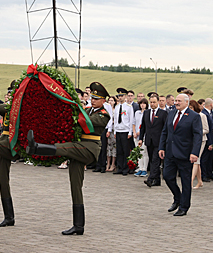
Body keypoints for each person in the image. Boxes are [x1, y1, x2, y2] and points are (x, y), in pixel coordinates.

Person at [27, 81, 110, 235]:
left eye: (96, 99)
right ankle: (78, 226)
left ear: (104, 101)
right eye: (92, 97)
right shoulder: (86, 109)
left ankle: (37, 148)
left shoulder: (104, 114)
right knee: (75, 186)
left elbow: (87, 121)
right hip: (80, 148)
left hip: (90, 148)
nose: (93, 100)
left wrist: (76, 109)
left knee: (67, 147)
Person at [158, 94, 202, 216]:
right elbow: (165, 131)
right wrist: (161, 147)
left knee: (186, 181)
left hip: (185, 154)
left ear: (186, 102)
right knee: (167, 176)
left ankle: (184, 206)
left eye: (179, 101)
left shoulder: (194, 116)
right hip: (170, 152)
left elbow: (198, 136)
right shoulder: (171, 113)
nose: (176, 103)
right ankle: (178, 198)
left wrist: (194, 152)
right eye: (175, 101)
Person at [139, 95, 168, 187]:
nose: (152, 104)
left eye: (154, 102)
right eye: (151, 102)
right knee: (152, 160)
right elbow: (143, 126)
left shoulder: (163, 113)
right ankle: (157, 180)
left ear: (158, 102)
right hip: (149, 140)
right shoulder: (146, 113)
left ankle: (150, 179)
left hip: (159, 141)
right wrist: (140, 138)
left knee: (155, 160)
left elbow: (165, 128)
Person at [112, 88, 134, 176]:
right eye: (118, 96)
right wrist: (115, 131)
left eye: (121, 96)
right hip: (118, 130)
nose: (120, 98)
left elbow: (131, 120)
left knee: (125, 151)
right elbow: (116, 120)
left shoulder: (128, 107)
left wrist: (130, 132)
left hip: (125, 131)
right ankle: (119, 168)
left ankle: (126, 168)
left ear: (125, 96)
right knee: (119, 151)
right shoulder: (117, 107)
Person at [189, 99, 209, 189]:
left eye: (191, 108)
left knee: (196, 160)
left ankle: (191, 181)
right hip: (192, 140)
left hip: (201, 140)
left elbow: (206, 129)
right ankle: (200, 181)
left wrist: (197, 132)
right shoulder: (189, 116)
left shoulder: (202, 115)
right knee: (198, 160)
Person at [201, 98, 213, 182]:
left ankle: (210, 173)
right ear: (211, 104)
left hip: (212, 139)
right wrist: (210, 142)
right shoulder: (204, 114)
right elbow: (207, 129)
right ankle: (204, 175)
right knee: (205, 158)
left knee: (211, 158)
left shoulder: (211, 114)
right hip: (207, 139)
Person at [133, 98, 149, 177]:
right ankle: (140, 168)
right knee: (138, 152)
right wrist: (134, 132)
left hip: (144, 135)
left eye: (144, 103)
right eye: (141, 103)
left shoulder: (147, 113)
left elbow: (145, 125)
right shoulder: (137, 112)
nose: (142, 105)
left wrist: (140, 132)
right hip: (136, 136)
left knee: (144, 152)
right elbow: (134, 123)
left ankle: (144, 169)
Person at [106, 96, 117, 172]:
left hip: (114, 129)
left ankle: (113, 164)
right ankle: (108, 163)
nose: (110, 102)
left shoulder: (116, 110)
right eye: (109, 100)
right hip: (108, 129)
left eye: (112, 100)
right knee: (108, 146)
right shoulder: (106, 109)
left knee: (114, 146)